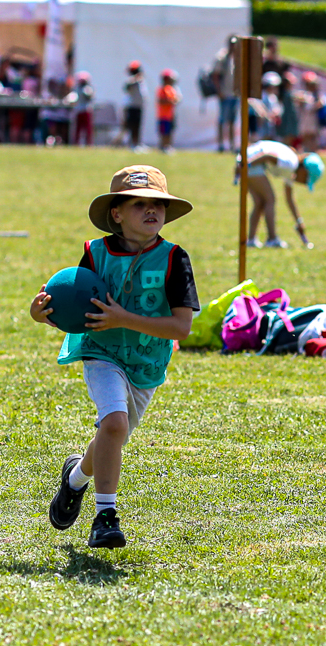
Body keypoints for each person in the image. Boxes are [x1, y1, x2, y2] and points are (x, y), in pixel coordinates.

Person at [29, 166, 199, 547]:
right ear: (117, 214)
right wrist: (41, 315)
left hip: (146, 363)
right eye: (140, 204)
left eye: (158, 204)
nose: (151, 210)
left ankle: (75, 478)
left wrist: (124, 318)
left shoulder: (174, 259)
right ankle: (105, 517)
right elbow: (76, 310)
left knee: (112, 435)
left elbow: (180, 328)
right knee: (116, 425)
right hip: (101, 353)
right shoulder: (96, 253)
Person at [239, 139, 323, 249]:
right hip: (252, 160)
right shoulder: (290, 164)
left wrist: (298, 221)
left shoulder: (292, 171)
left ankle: (251, 240)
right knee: (270, 199)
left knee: (259, 202)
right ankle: (272, 239)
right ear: (304, 170)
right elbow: (267, 156)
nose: (303, 183)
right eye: (305, 180)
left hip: (249, 160)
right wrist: (245, 164)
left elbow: (289, 199)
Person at [212, 36, 238, 153]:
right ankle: (221, 144)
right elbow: (216, 75)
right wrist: (219, 91)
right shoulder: (222, 57)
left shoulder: (238, 58)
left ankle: (232, 145)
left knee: (232, 121)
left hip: (235, 94)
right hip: (225, 93)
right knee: (223, 121)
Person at [295, 71, 325, 153]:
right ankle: (306, 155)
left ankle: (313, 155)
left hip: (314, 121)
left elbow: (321, 104)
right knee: (305, 140)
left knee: (313, 140)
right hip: (305, 121)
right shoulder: (303, 95)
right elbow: (298, 102)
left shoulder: (318, 95)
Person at [156, 69, 181, 154]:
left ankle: (168, 146)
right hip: (163, 115)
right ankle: (163, 146)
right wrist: (170, 101)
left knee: (170, 132)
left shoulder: (171, 89)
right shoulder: (162, 89)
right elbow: (161, 101)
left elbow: (177, 99)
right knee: (164, 132)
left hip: (170, 115)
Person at [68, 72, 96, 147]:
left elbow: (90, 96)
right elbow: (72, 97)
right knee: (78, 129)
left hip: (86, 111)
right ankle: (76, 144)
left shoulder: (88, 88)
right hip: (78, 111)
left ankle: (89, 144)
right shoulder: (76, 88)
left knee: (88, 130)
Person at [123, 61, 145, 150]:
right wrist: (135, 79)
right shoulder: (132, 80)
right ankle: (131, 144)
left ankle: (137, 143)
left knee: (138, 126)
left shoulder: (141, 80)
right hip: (132, 106)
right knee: (132, 126)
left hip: (138, 106)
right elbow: (126, 88)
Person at [259, 71, 282, 140]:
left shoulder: (273, 97)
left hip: (271, 125)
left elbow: (277, 108)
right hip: (263, 125)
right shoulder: (263, 96)